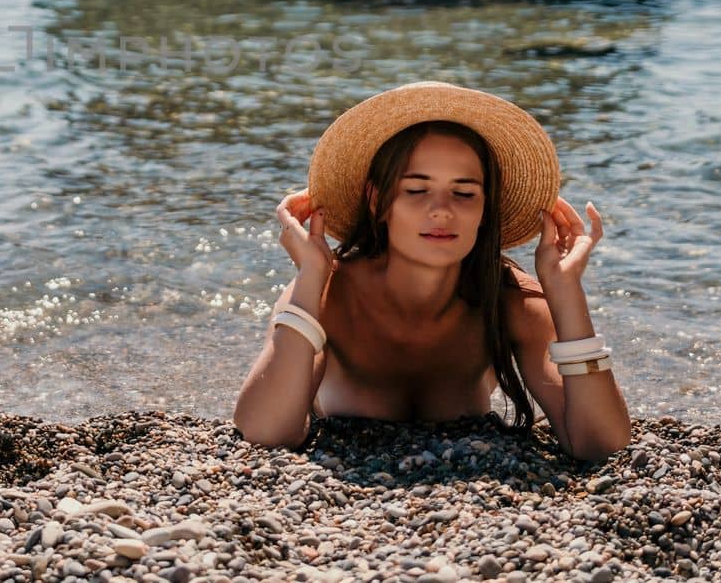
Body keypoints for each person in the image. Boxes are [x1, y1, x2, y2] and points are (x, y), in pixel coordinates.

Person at [232, 81, 631, 461]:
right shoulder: (327, 292)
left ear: (484, 208)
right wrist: (310, 277)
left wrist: (564, 292)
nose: (442, 210)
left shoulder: (508, 299)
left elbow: (599, 443)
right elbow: (266, 433)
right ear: (378, 200)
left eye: (464, 192)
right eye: (416, 189)